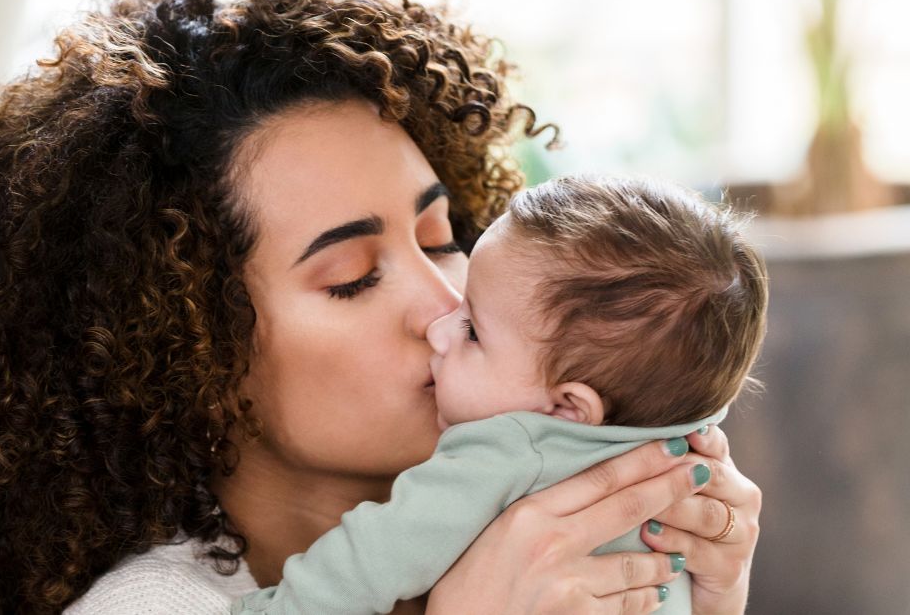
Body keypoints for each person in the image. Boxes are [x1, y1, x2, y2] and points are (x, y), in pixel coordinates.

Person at [0, 0, 762, 614]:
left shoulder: (561, 531)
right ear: (187, 345)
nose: (445, 305)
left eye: (442, 236)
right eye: (352, 278)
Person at [231, 174, 768, 615]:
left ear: (568, 406)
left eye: (441, 240)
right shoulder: (686, 443)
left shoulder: (506, 450)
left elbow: (372, 556)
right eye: (354, 276)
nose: (442, 319)